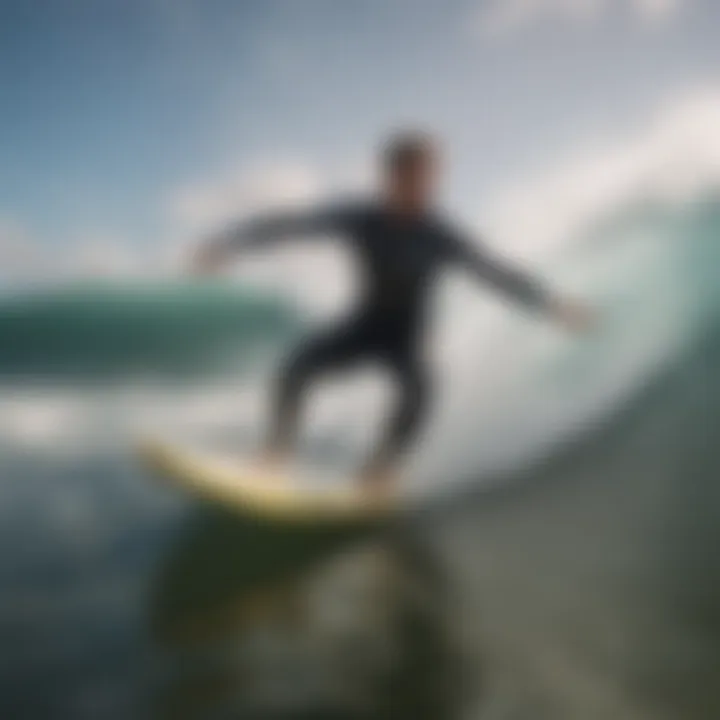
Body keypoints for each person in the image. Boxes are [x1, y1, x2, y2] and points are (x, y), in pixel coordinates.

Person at [193, 131, 593, 499]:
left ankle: (377, 475)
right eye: (414, 177)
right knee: (295, 368)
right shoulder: (363, 219)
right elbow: (294, 225)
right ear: (391, 177)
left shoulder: (441, 234)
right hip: (365, 327)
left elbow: (495, 273)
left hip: (408, 341)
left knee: (420, 393)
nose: (424, 187)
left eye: (430, 177)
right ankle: (273, 458)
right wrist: (230, 243)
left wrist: (550, 304)